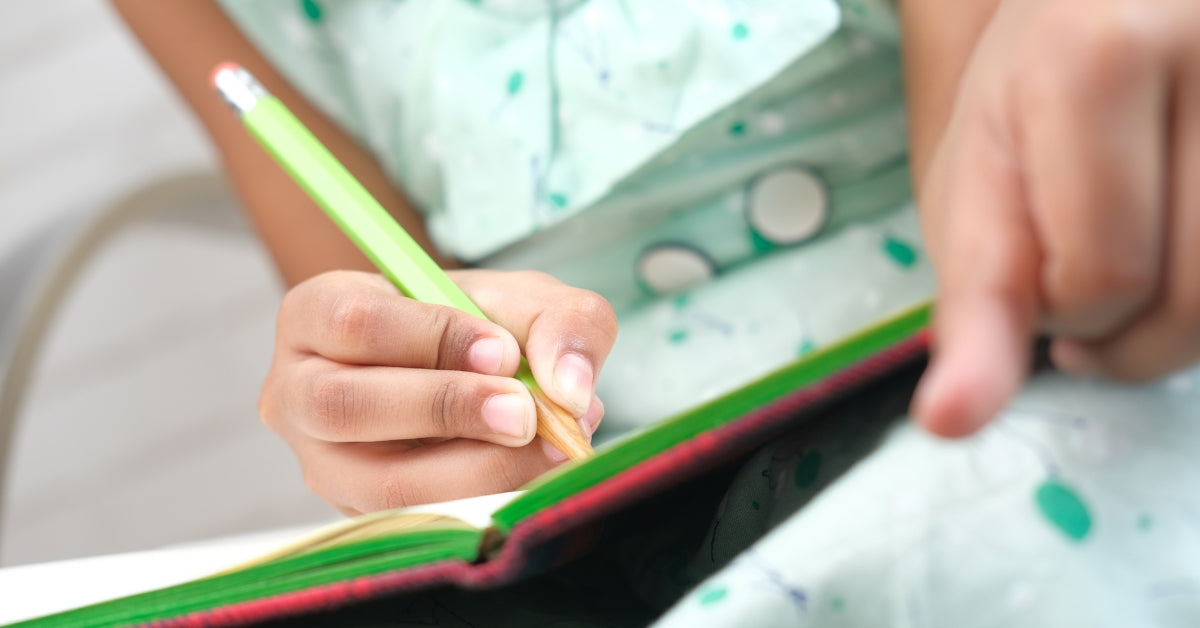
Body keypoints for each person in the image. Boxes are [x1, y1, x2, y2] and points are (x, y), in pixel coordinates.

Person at [114, 0, 1200, 625]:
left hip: (978, 380)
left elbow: (988, 168)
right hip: (602, 517)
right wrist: (401, 391)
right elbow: (380, 338)